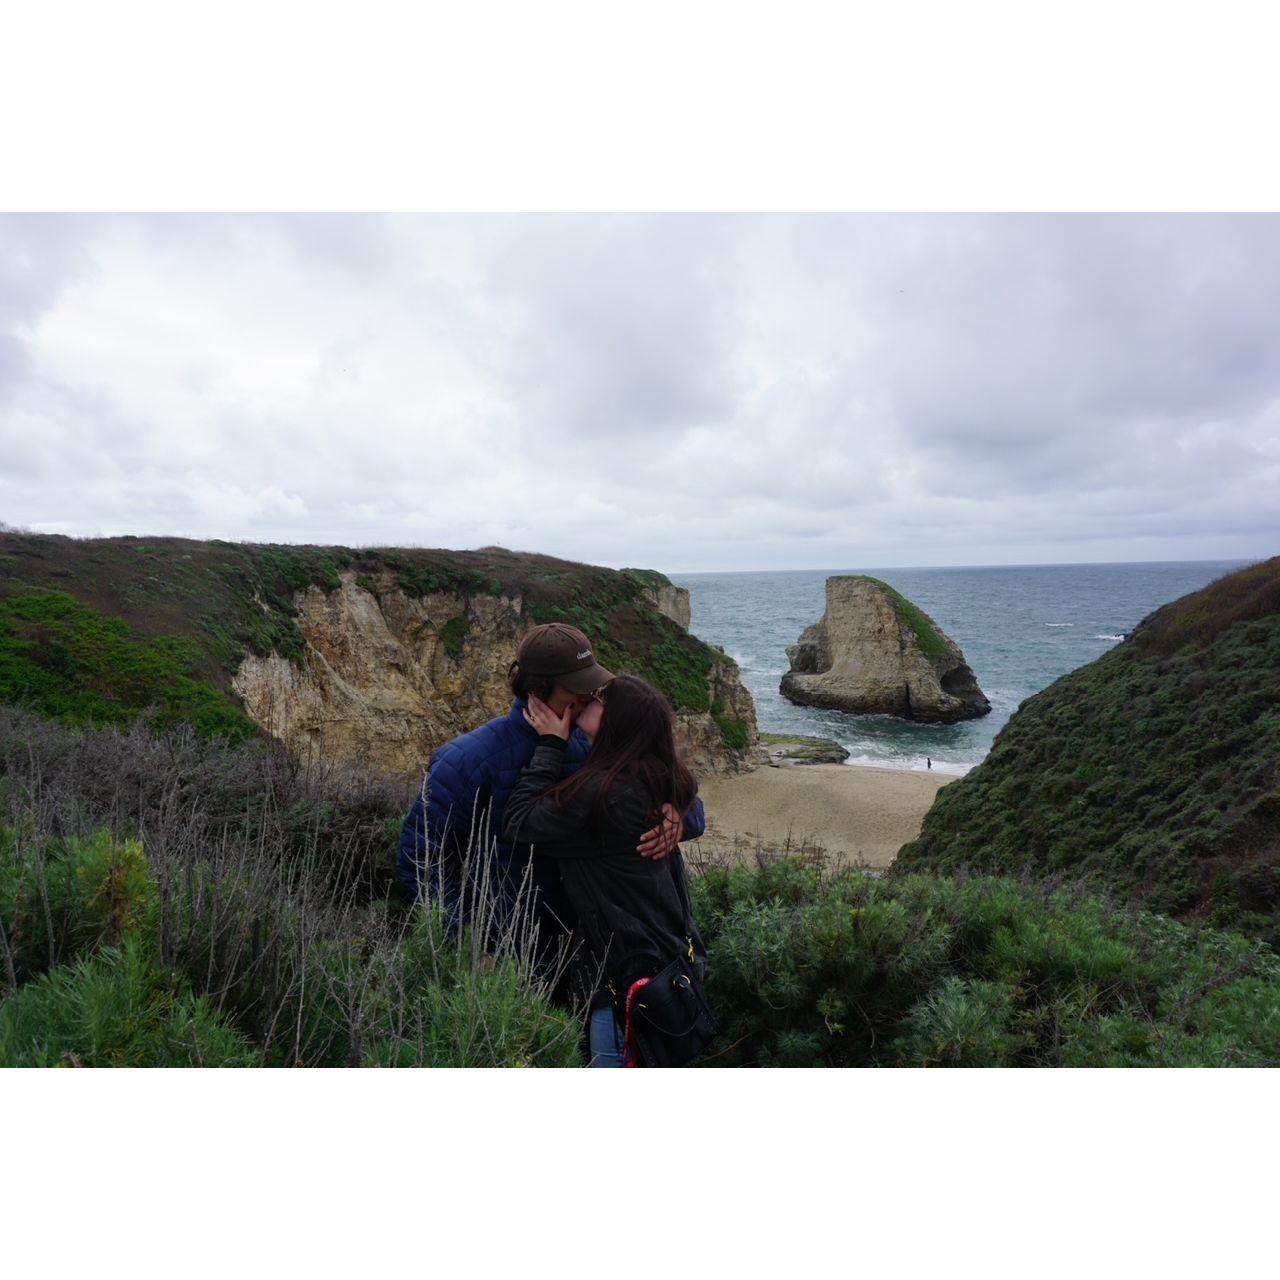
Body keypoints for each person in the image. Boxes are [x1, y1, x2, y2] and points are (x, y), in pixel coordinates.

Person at [395, 623, 706, 975]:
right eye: (577, 687)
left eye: (592, 685)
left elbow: (667, 788)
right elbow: (421, 860)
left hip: (592, 959)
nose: (588, 696)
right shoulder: (468, 759)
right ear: (538, 689)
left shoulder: (596, 746)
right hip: (510, 960)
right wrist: (467, 943)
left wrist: (678, 815)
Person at [502, 675, 710, 1068]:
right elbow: (692, 802)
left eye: (601, 699)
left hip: (627, 984)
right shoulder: (654, 775)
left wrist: (551, 745)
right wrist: (682, 814)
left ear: (617, 722)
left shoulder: (604, 795)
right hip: (668, 961)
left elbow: (519, 822)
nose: (588, 700)